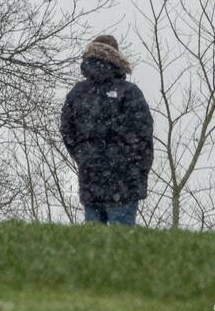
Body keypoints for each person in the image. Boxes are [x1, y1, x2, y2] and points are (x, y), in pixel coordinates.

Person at [60, 34, 153, 225]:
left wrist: (85, 155)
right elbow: (143, 135)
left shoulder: (78, 93)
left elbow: (67, 131)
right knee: (122, 244)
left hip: (91, 177)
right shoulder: (129, 92)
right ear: (117, 58)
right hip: (124, 181)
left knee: (93, 244)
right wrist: (137, 169)